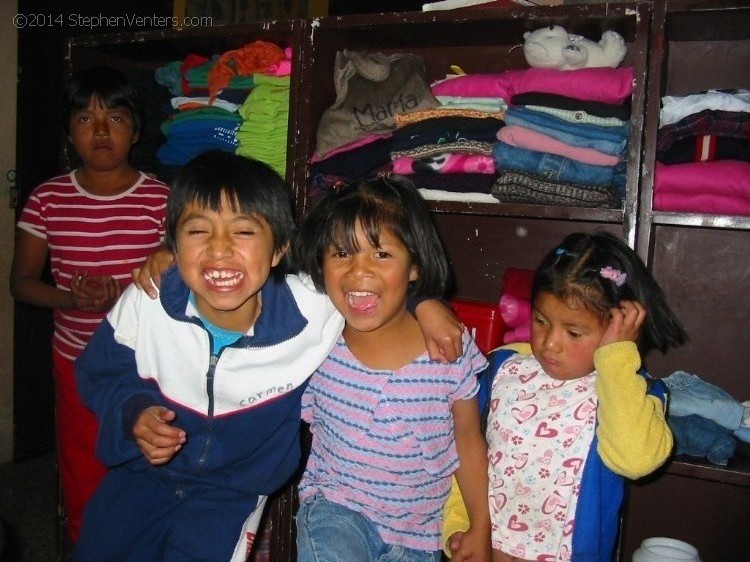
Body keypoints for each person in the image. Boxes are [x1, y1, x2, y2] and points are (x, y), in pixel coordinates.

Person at [74, 151, 464, 562]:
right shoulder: (150, 299)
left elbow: (371, 288)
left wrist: (425, 303)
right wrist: (134, 411)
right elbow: (100, 371)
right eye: (198, 232)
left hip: (229, 499)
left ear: (279, 249)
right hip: (139, 479)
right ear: (172, 243)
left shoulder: (310, 311)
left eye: (243, 232)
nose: (219, 251)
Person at [444, 231, 687, 562]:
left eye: (573, 333)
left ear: (619, 328)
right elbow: (462, 445)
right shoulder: (502, 369)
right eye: (541, 321)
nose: (550, 343)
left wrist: (617, 358)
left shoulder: (628, 392)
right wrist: (460, 524)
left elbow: (636, 459)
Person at [294, 175, 492, 562]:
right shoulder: (315, 335)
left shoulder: (450, 349)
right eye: (341, 253)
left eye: (381, 254)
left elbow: (468, 443)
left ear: (415, 266)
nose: (358, 271)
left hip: (419, 536)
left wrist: (481, 526)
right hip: (335, 509)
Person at [9, 66, 170, 542]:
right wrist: (69, 298)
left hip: (146, 362)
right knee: (83, 472)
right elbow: (20, 282)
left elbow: (181, 284)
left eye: (115, 119)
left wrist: (123, 295)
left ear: (135, 130)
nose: (100, 132)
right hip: (76, 361)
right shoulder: (47, 199)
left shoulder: (161, 199)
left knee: (148, 466)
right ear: (69, 131)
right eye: (85, 119)